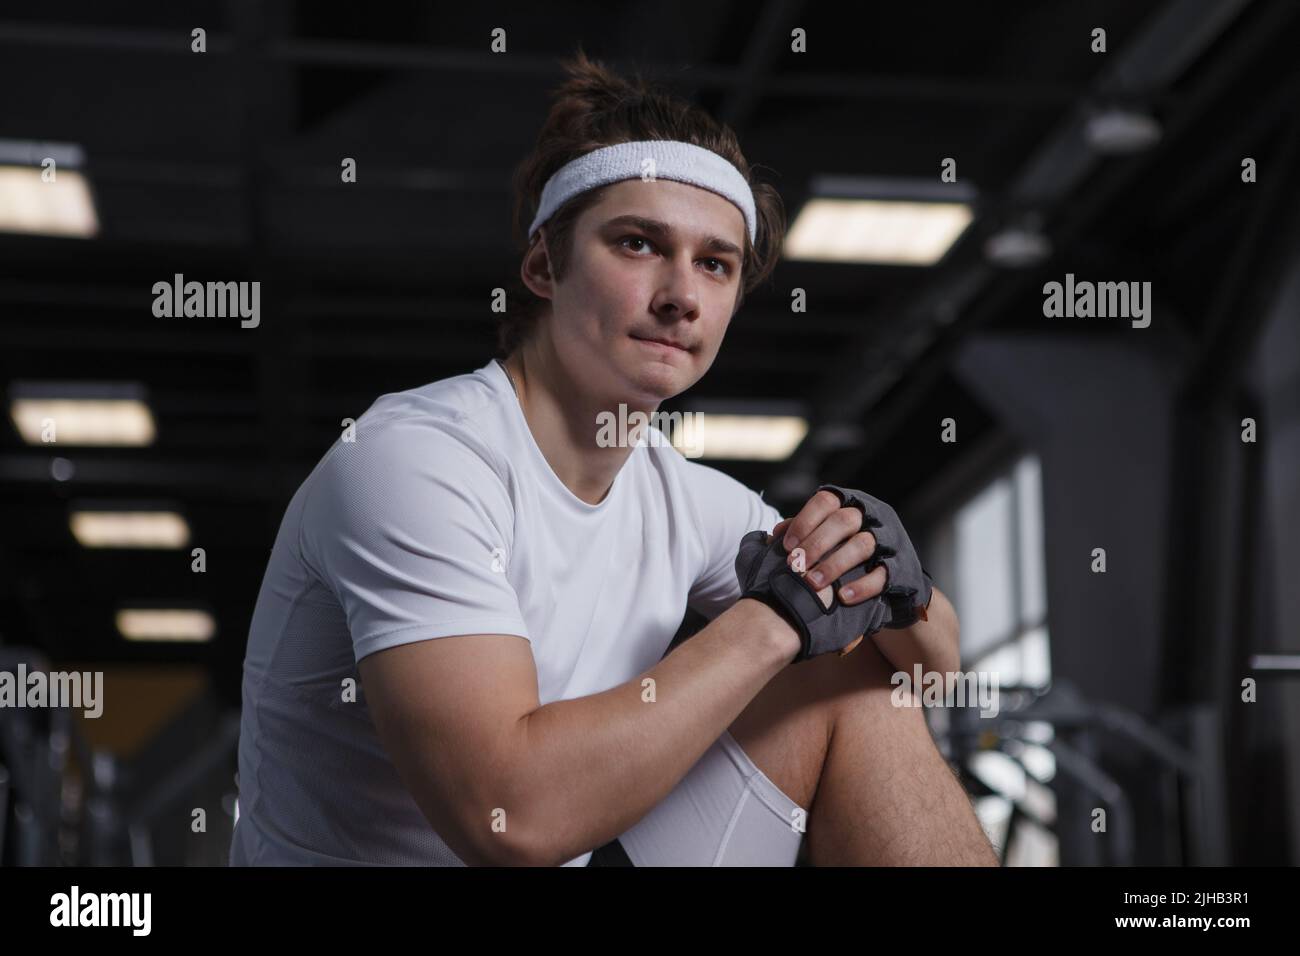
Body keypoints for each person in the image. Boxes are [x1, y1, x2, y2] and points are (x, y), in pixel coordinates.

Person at [229, 49, 997, 867]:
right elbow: (509, 817)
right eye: (638, 245)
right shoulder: (415, 460)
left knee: (854, 683)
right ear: (542, 267)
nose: (681, 295)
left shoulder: (683, 498)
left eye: (715, 263)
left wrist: (903, 590)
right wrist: (775, 622)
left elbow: (923, 678)